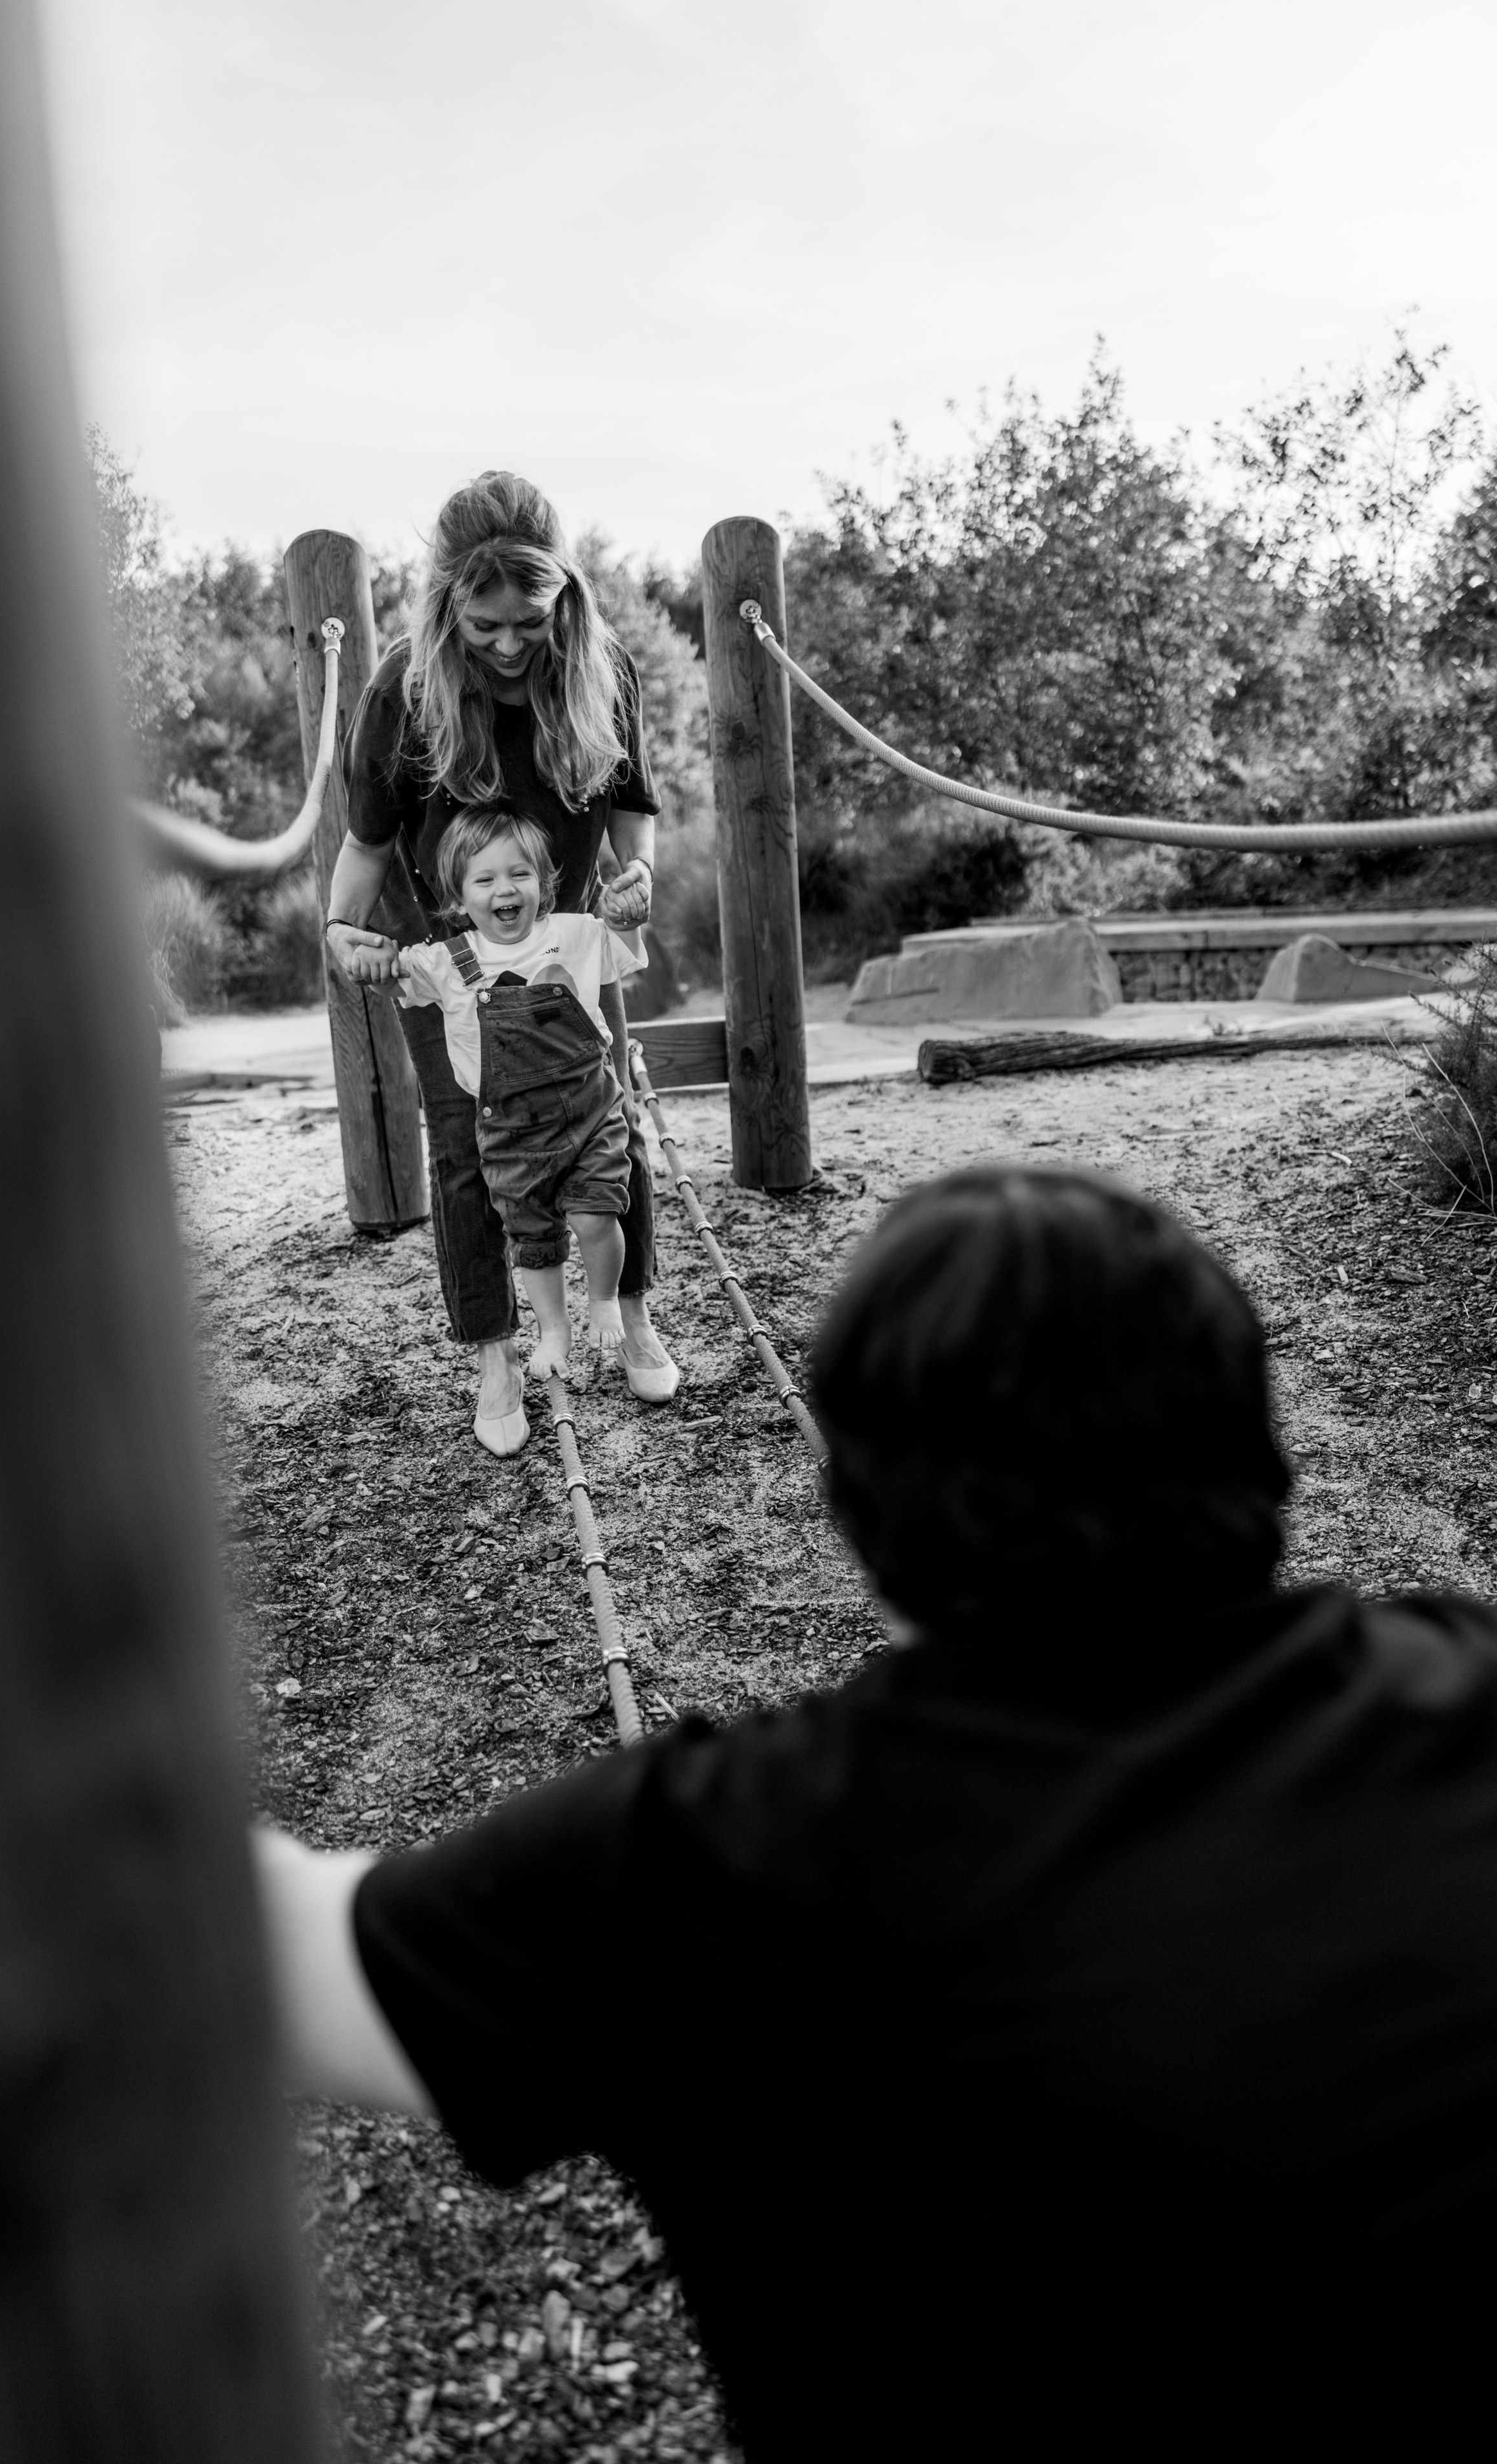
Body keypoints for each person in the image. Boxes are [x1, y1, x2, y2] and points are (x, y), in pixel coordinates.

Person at [254, 1168, 1497, 2452]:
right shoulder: (1468, 1692)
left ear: (852, 1514)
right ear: (1258, 1447)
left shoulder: (715, 1866)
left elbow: (239, 1959)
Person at [324, 471, 678, 1457]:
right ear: (447, 607)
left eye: (532, 617)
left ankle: (633, 1318)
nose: (513, 643)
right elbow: (363, 845)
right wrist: (338, 928)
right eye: (485, 627)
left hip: (566, 943)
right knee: (469, 1151)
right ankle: (495, 1359)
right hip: (450, 963)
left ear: (564, 593)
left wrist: (638, 871)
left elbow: (631, 812)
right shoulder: (401, 692)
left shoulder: (604, 673)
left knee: (608, 1125)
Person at [390, 806, 648, 1394]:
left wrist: (628, 906)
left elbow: (627, 946)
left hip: (588, 1110)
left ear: (544, 883)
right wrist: (370, 959)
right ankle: (552, 1328)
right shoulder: (448, 961)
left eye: (520, 875)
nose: (504, 890)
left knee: (594, 1211)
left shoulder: (577, 934)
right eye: (485, 880)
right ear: (459, 896)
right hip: (509, 1130)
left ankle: (606, 1300)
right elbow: (392, 978)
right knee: (533, 1242)